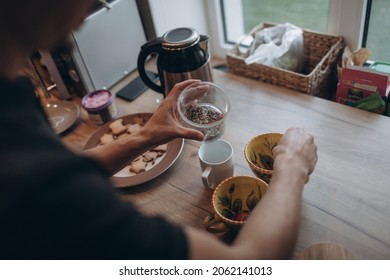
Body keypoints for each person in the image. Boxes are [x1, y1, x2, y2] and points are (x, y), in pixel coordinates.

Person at [0, 0, 318, 259]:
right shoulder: (42, 194)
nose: (98, 4)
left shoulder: (16, 96)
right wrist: (292, 165)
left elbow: (62, 170)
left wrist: (147, 135)